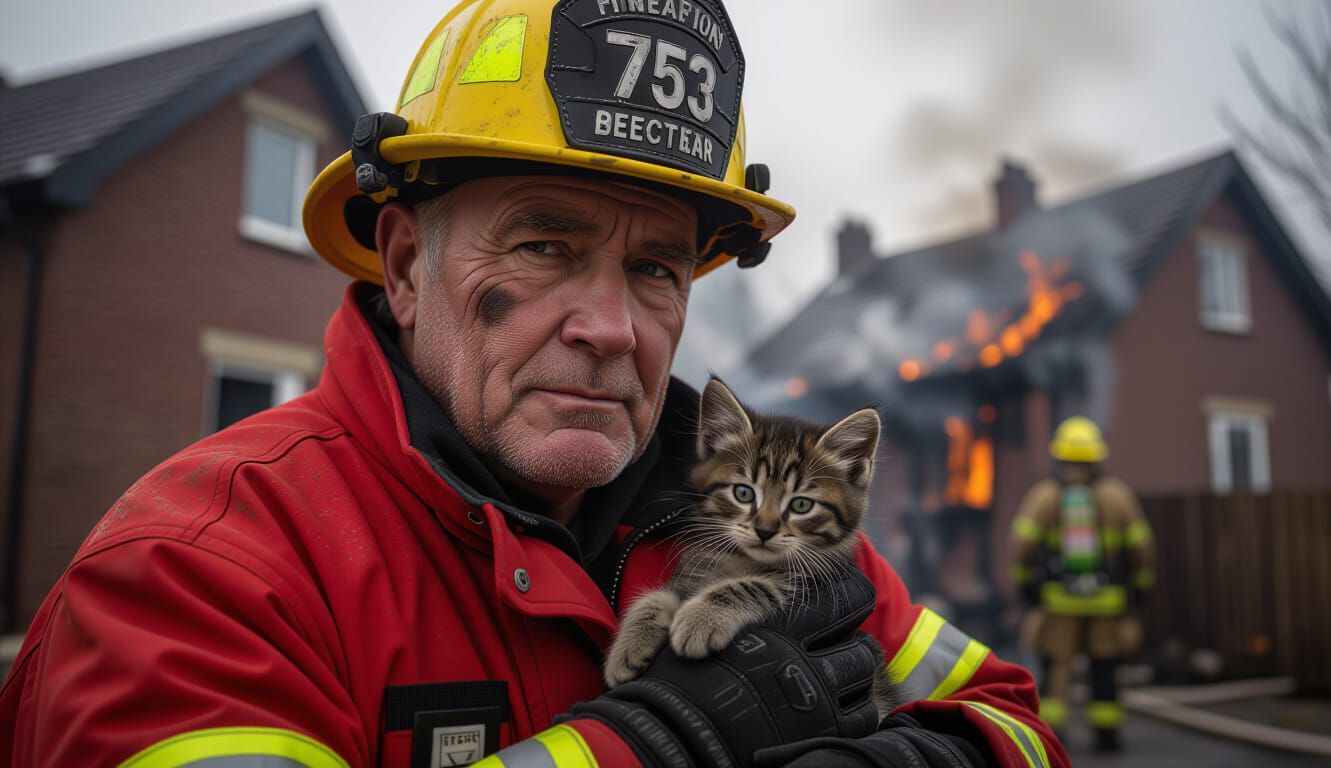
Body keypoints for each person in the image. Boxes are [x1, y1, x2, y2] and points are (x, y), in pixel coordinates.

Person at [1, 1, 1065, 766]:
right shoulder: (203, 576)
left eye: (655, 267)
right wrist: (643, 749)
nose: (610, 330)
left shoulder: (779, 538)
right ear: (409, 266)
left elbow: (1020, 721)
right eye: (544, 246)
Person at [1010, 417, 1154, 753]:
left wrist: (1024, 586)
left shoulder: (1044, 496)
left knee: (1055, 667)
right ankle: (1107, 735)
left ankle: (1052, 737)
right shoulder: (1118, 497)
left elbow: (1021, 547)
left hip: (1058, 601)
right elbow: (1141, 548)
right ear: (1096, 457)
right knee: (1104, 667)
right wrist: (1140, 587)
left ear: (1060, 456)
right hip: (1108, 602)